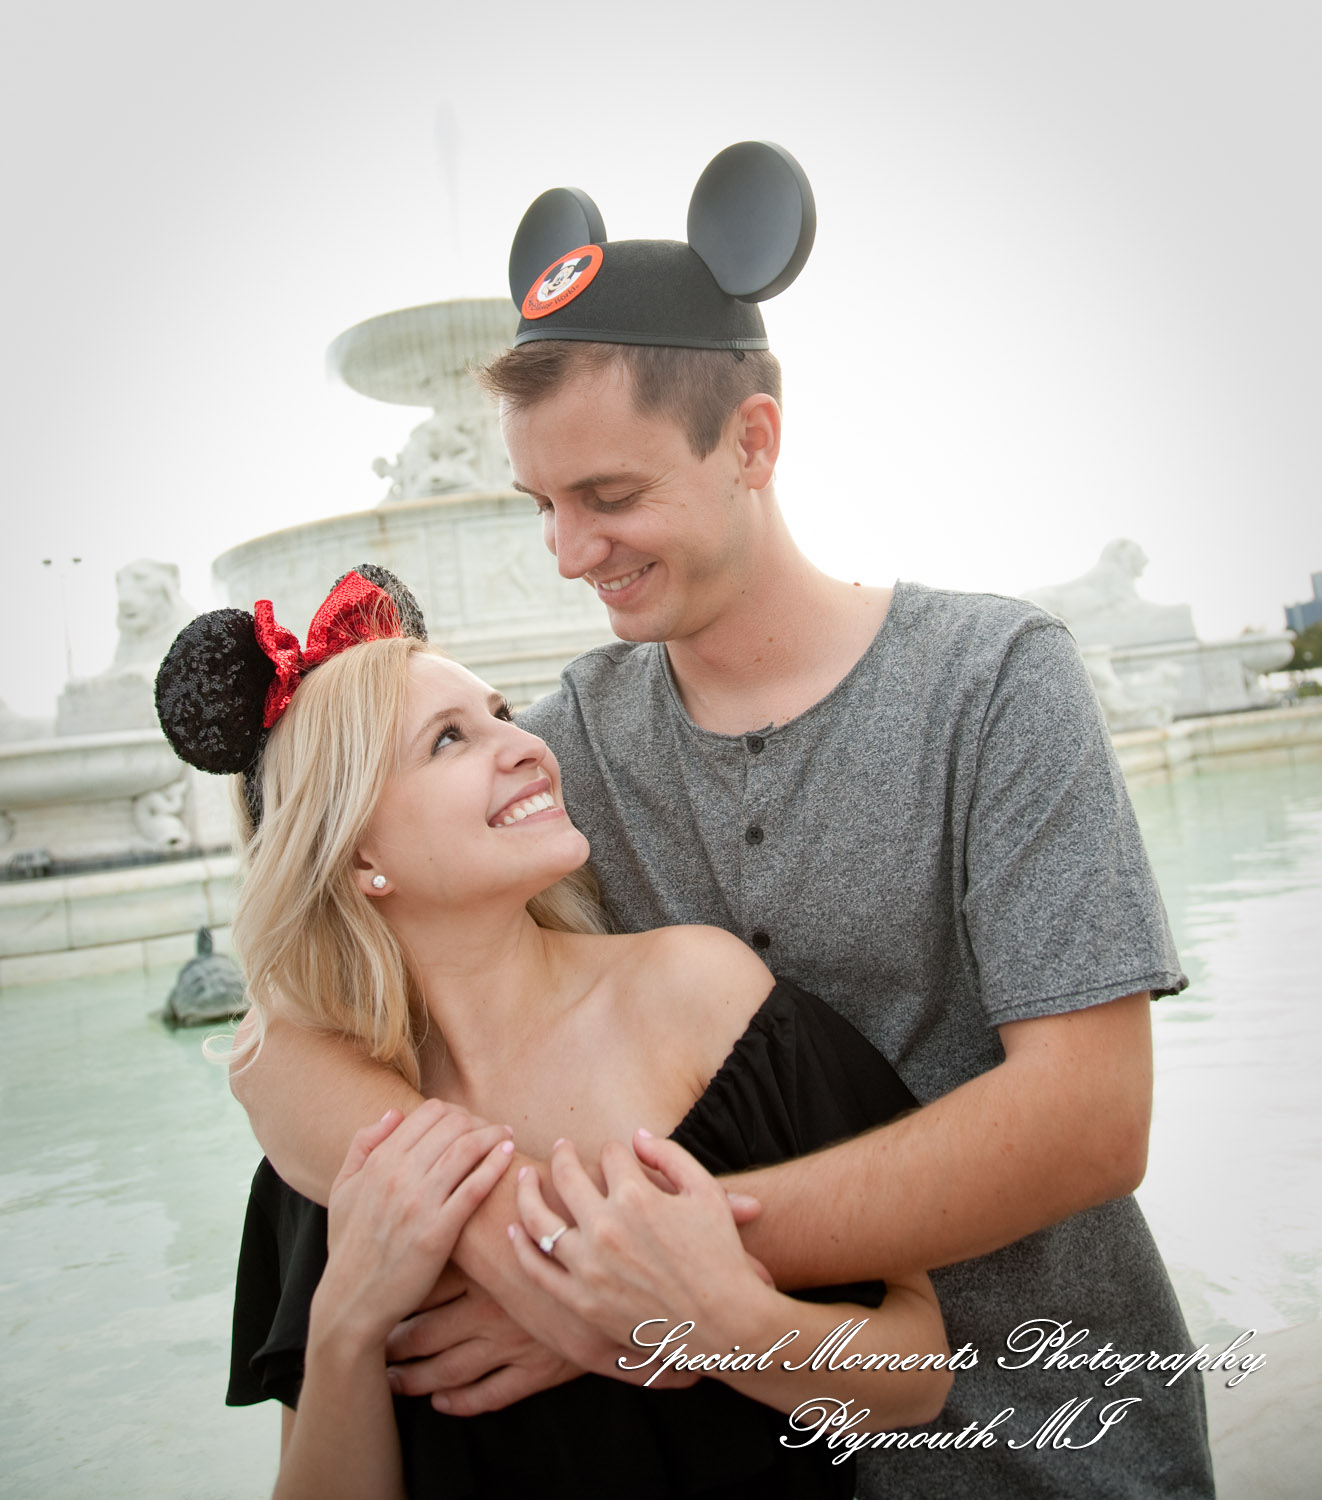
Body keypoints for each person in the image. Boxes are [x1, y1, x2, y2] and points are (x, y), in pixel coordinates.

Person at [229, 144, 1216, 1496]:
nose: (568, 552)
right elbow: (277, 1045)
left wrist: (613, 1283)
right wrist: (548, 1256)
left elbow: (1089, 1120)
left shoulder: (991, 681)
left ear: (750, 440)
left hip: (1053, 1441)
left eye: (610, 497)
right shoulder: (560, 749)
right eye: (542, 506)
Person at [156, 567, 953, 1499]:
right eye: (450, 739)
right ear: (359, 855)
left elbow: (918, 1371)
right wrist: (344, 1329)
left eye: (500, 712)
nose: (523, 744)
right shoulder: (342, 1149)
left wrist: (699, 1318)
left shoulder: (694, 993)